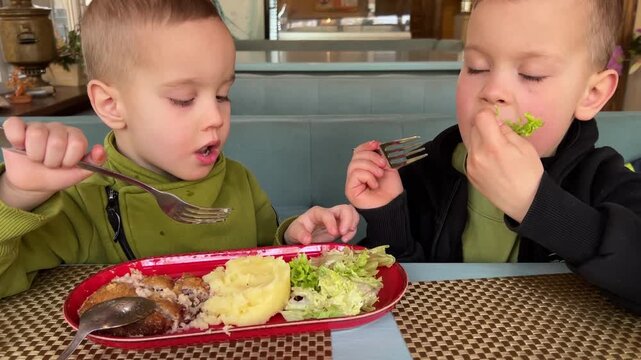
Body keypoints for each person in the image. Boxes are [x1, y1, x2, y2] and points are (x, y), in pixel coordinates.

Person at [0, 0, 358, 299]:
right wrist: (15, 195)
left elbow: (265, 256)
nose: (215, 116)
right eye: (183, 99)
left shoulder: (238, 182)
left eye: (222, 94)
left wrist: (297, 240)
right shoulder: (79, 200)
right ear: (111, 104)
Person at [346, 0, 641, 312]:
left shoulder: (602, 179)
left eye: (532, 74)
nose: (492, 90)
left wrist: (538, 206)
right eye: (477, 67)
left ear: (591, 94)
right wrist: (387, 214)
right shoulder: (425, 170)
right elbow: (402, 288)